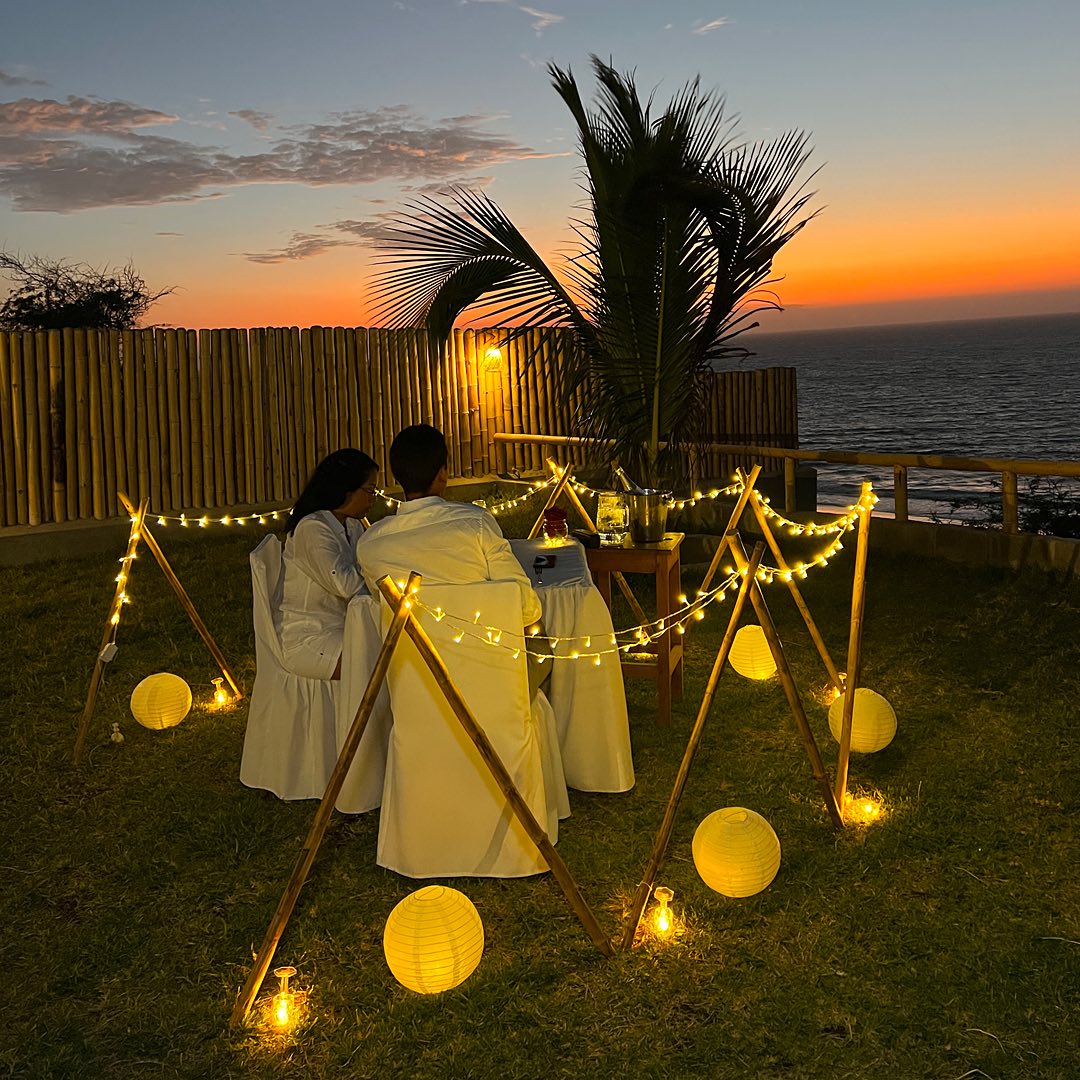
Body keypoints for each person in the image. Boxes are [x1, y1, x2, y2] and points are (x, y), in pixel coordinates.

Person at [355, 424, 540, 623]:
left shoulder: (369, 544)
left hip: (410, 653)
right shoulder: (476, 523)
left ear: (396, 476)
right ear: (442, 474)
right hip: (488, 651)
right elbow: (525, 606)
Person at [279, 448, 379, 679]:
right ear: (346, 490)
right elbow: (346, 585)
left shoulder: (351, 525)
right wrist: (383, 585)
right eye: (370, 491)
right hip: (311, 636)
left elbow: (369, 562)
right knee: (381, 665)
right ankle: (360, 716)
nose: (373, 499)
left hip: (346, 626)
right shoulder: (312, 529)